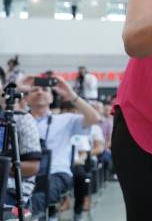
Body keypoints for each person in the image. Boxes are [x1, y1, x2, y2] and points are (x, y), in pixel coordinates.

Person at [22, 75, 101, 221]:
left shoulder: (65, 119)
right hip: (25, 173)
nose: (39, 92)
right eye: (34, 90)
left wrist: (71, 95)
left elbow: (95, 118)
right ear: (26, 98)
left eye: (45, 89)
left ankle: (29, 214)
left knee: (40, 195)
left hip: (56, 173)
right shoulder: (19, 120)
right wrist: (18, 86)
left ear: (52, 98)